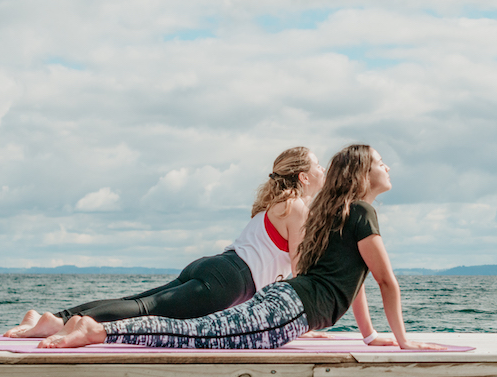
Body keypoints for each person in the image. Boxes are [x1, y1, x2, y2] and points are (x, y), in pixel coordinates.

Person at [38, 144, 442, 351]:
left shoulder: (336, 213)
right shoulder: (357, 213)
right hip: (281, 303)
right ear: (361, 174)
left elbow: (356, 282)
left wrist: (370, 336)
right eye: (380, 161)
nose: (388, 167)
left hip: (279, 298)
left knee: (188, 326)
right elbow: (386, 281)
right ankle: (97, 331)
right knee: (195, 335)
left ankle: (79, 323)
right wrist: (403, 341)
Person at [7, 147, 325, 338]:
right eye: (318, 165)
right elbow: (299, 273)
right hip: (229, 281)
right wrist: (305, 322)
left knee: (139, 302)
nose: (323, 169)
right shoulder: (296, 208)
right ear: (303, 177)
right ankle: (56, 322)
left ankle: (53, 318)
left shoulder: (277, 205)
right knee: (144, 310)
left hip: (218, 269)